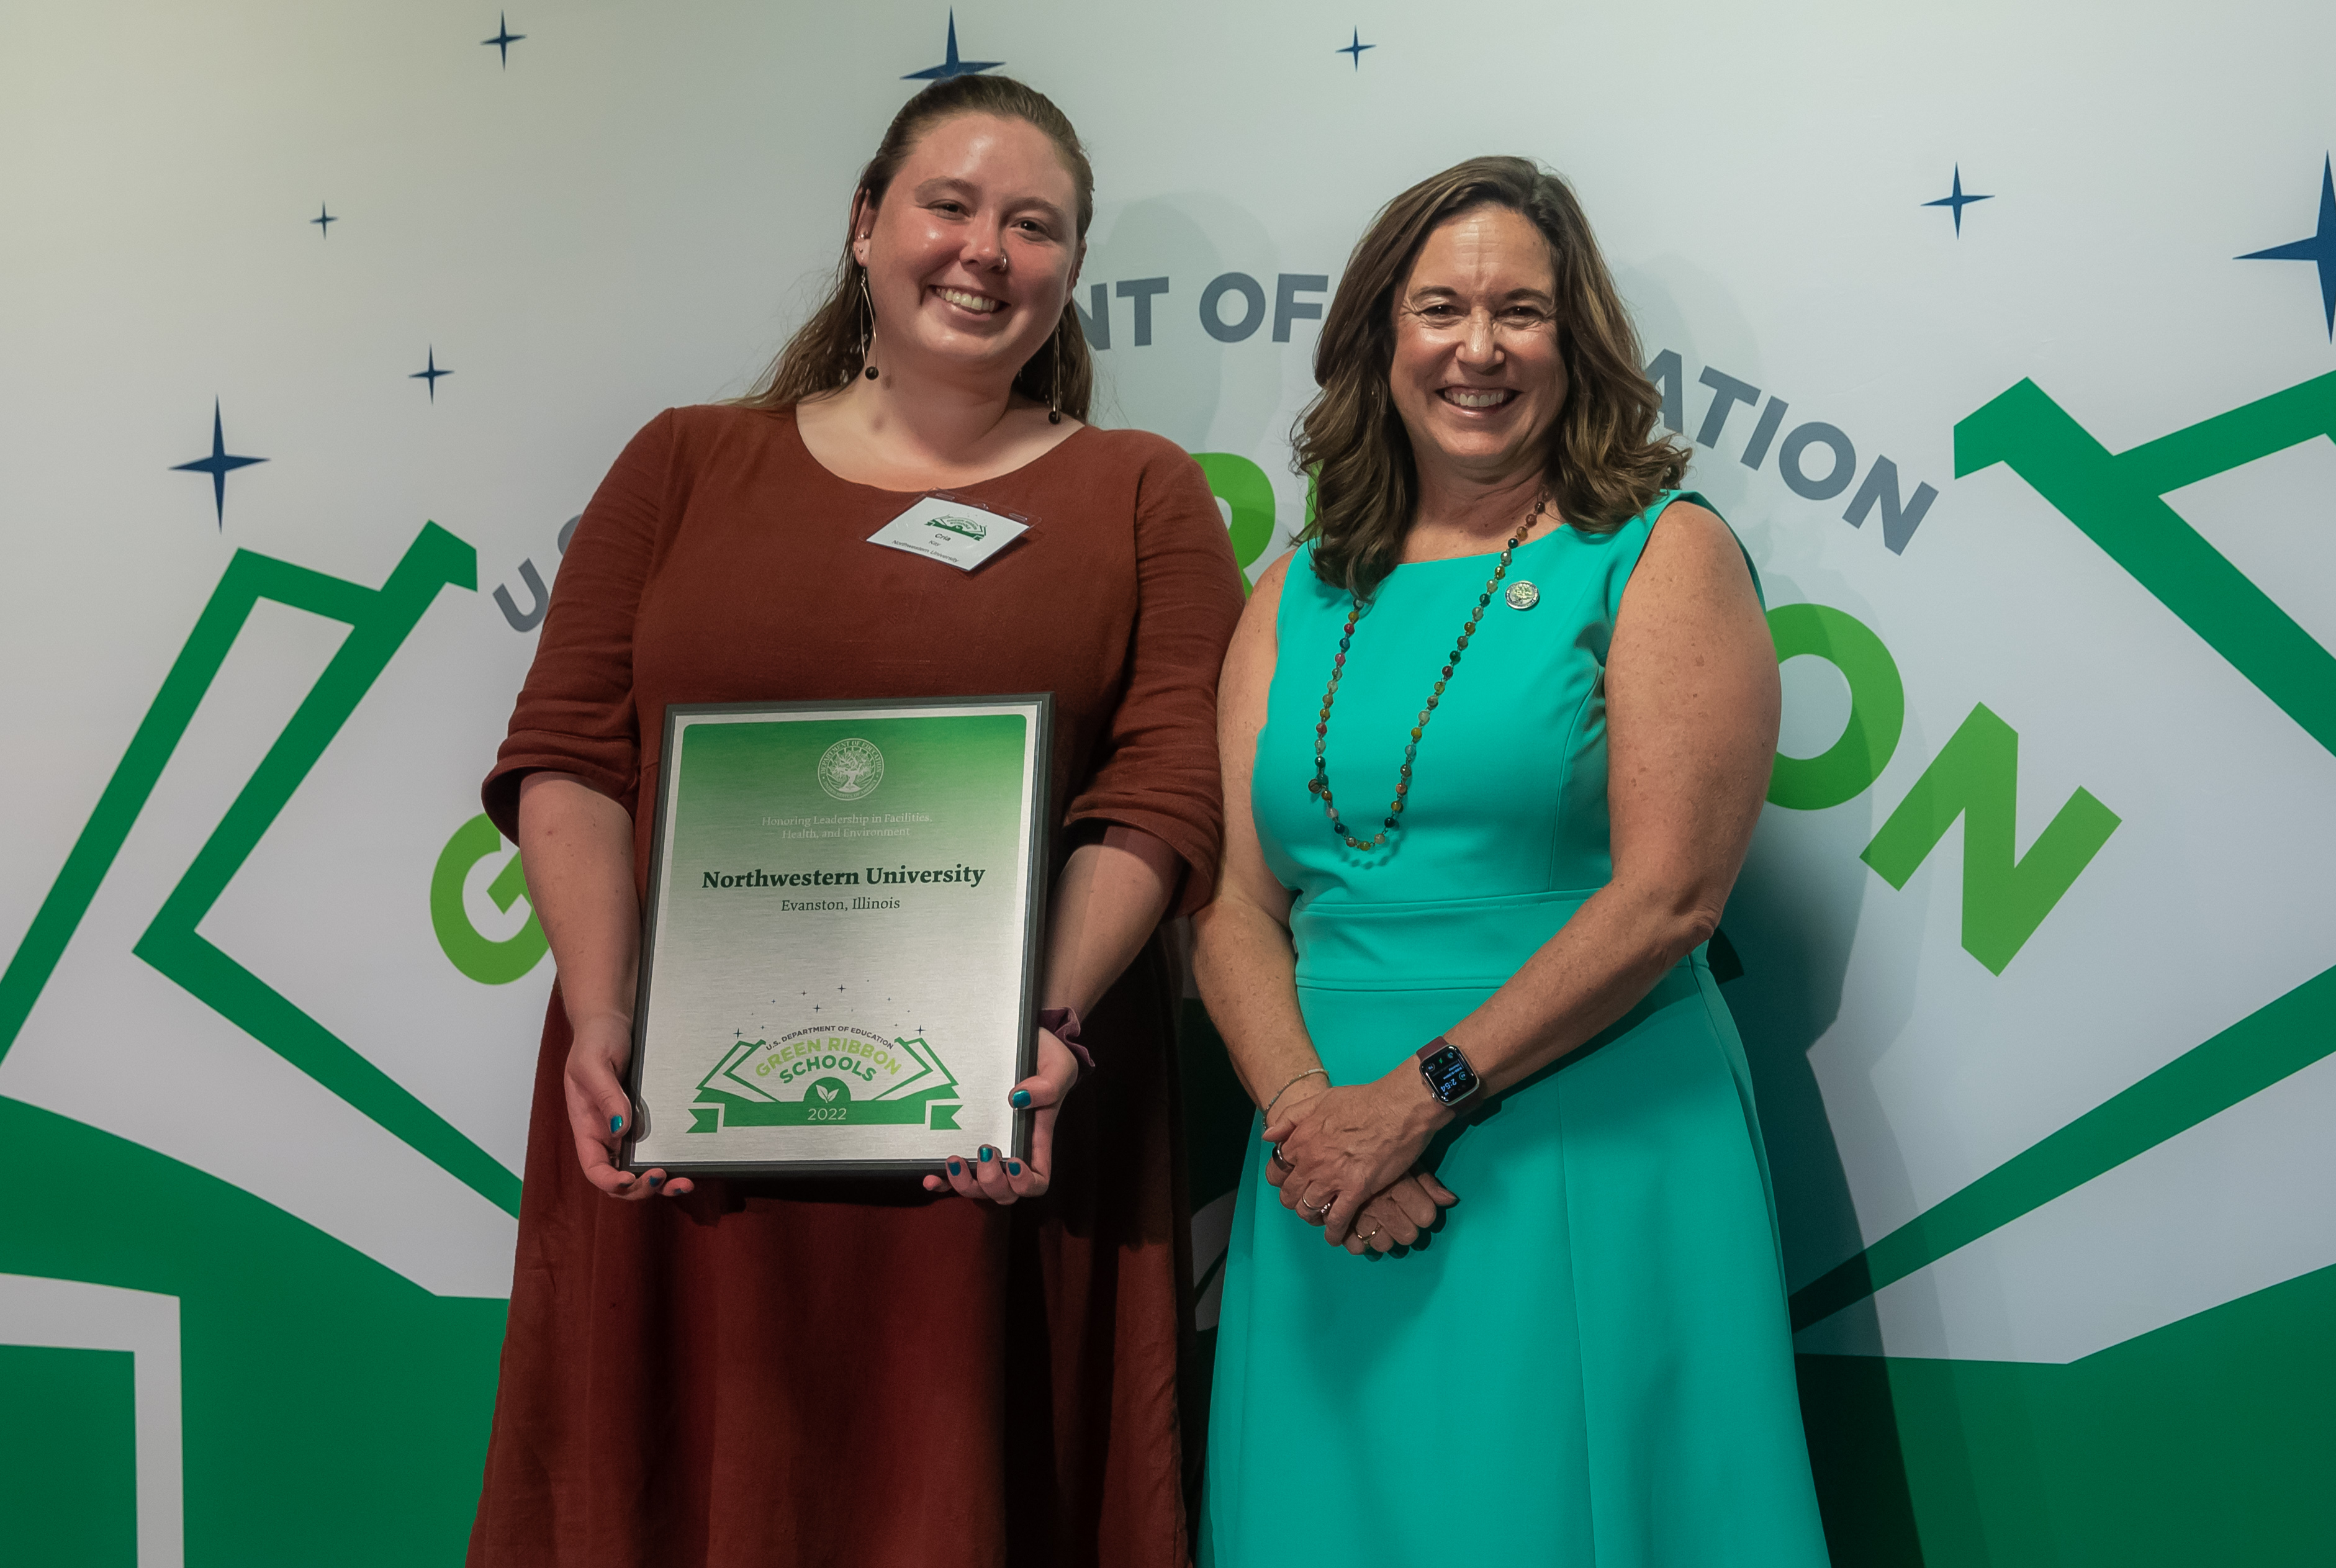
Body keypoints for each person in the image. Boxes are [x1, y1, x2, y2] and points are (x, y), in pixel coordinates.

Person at [467, 76, 1242, 1568]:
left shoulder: (1137, 493)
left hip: (1004, 1129)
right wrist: (605, 1016)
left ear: (1070, 272)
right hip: (682, 1119)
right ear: (865, 225)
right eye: (949, 205)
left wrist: (1052, 1034)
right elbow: (569, 755)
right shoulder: (685, 460)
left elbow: (1159, 787)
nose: (984, 252)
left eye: (1034, 226)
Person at [1194, 156, 1831, 1566]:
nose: (1476, 347)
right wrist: (1314, 1122)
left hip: (1577, 1130)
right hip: (1325, 1171)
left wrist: (1416, 1102)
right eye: (1438, 307)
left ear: (1574, 342)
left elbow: (1670, 899)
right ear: (1378, 336)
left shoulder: (1657, 552)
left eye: (1519, 312)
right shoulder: (1294, 586)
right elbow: (1234, 904)